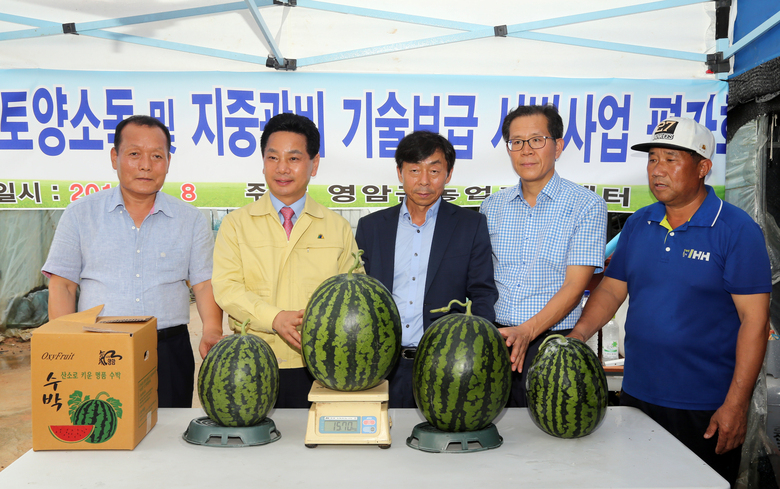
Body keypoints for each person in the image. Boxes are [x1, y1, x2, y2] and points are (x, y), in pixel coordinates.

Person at [568, 117, 771, 486]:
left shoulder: (737, 230)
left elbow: (755, 323)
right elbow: (613, 290)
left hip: (705, 407)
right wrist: (578, 336)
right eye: (652, 159)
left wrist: (736, 406)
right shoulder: (640, 223)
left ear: (703, 168)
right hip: (637, 398)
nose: (657, 170)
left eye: (670, 159)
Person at [43, 115, 223, 408]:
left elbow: (204, 285)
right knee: (102, 433)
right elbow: (62, 285)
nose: (146, 165)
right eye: (135, 154)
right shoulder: (80, 214)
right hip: (97, 346)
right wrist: (67, 346)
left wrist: (212, 330)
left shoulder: (190, 219)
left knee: (166, 439)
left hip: (167, 350)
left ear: (168, 161)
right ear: (115, 157)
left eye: (157, 156)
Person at [211, 112, 360, 408]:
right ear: (263, 162)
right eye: (272, 157)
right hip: (252, 364)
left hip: (320, 368)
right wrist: (274, 318)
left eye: (293, 158)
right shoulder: (236, 224)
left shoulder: (337, 227)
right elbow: (226, 288)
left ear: (313, 164)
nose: (282, 168)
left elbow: (353, 295)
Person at [355, 131, 498, 408]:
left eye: (434, 170)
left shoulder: (470, 225)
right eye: (414, 170)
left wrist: (479, 352)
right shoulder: (372, 227)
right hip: (383, 366)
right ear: (400, 173)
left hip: (446, 366)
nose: (424, 181)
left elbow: (482, 293)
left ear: (449, 173)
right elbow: (362, 300)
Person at [479, 104, 607, 407]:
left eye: (537, 140)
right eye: (516, 142)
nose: (526, 151)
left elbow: (575, 288)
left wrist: (528, 331)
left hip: (553, 345)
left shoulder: (586, 206)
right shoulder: (491, 207)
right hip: (497, 341)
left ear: (558, 146)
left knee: (551, 440)